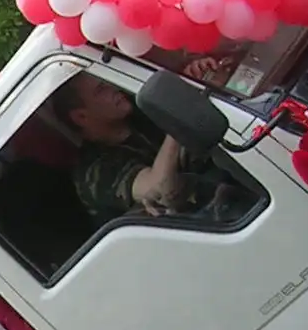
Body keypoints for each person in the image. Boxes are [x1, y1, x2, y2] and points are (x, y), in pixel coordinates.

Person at [51, 72, 251, 226]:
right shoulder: (94, 170)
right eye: (101, 90)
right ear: (81, 117)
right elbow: (160, 188)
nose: (113, 88)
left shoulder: (137, 113)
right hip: (198, 229)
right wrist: (178, 117)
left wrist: (193, 80)